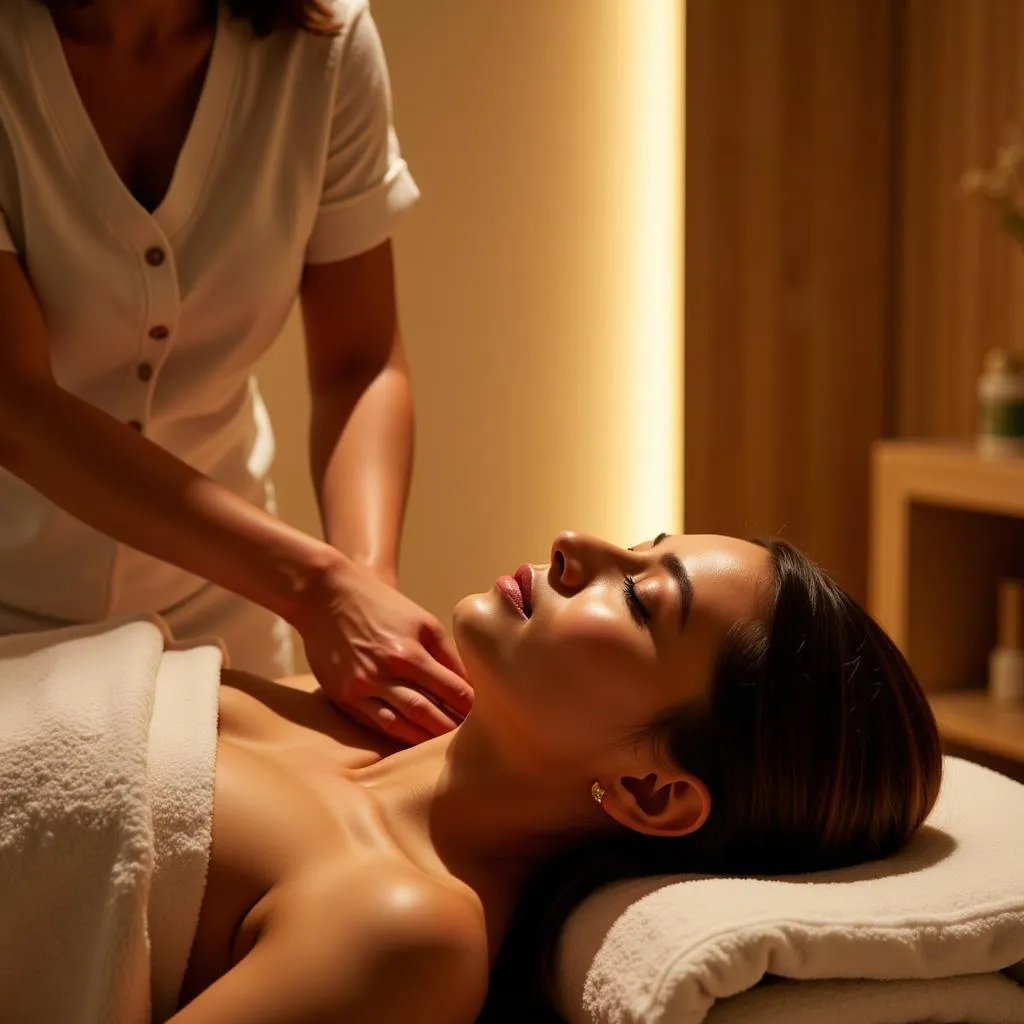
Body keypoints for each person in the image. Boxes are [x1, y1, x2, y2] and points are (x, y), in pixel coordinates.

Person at [159, 530, 940, 1022]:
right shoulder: (350, 703)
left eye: (638, 597)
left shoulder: (407, 931)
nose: (574, 544)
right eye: (639, 540)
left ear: (652, 792)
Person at [0, 0, 471, 744]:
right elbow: (16, 406)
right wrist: (318, 588)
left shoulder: (323, 44)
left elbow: (360, 363)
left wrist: (366, 581)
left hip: (228, 622)